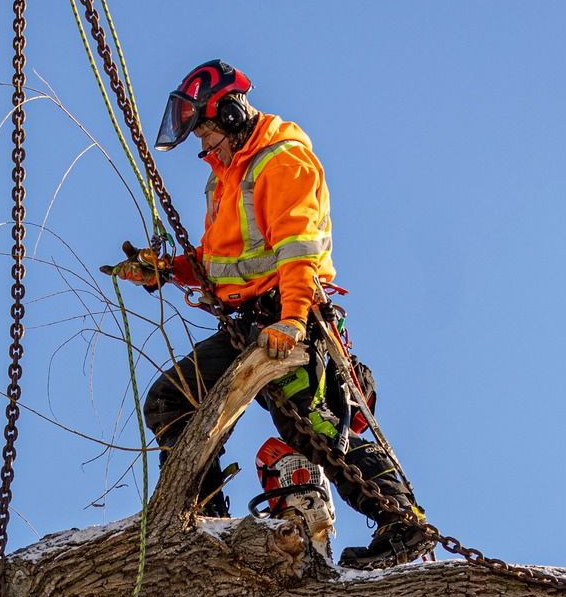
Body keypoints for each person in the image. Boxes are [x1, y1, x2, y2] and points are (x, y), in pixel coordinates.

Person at [113, 60, 427, 570]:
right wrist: (166, 270)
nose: (204, 147)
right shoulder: (225, 176)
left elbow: (298, 248)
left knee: (314, 430)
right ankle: (203, 518)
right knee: (171, 402)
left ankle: (403, 520)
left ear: (234, 114)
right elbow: (221, 261)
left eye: (209, 132)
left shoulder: (280, 161)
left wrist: (295, 318)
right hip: (244, 325)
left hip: (288, 314)